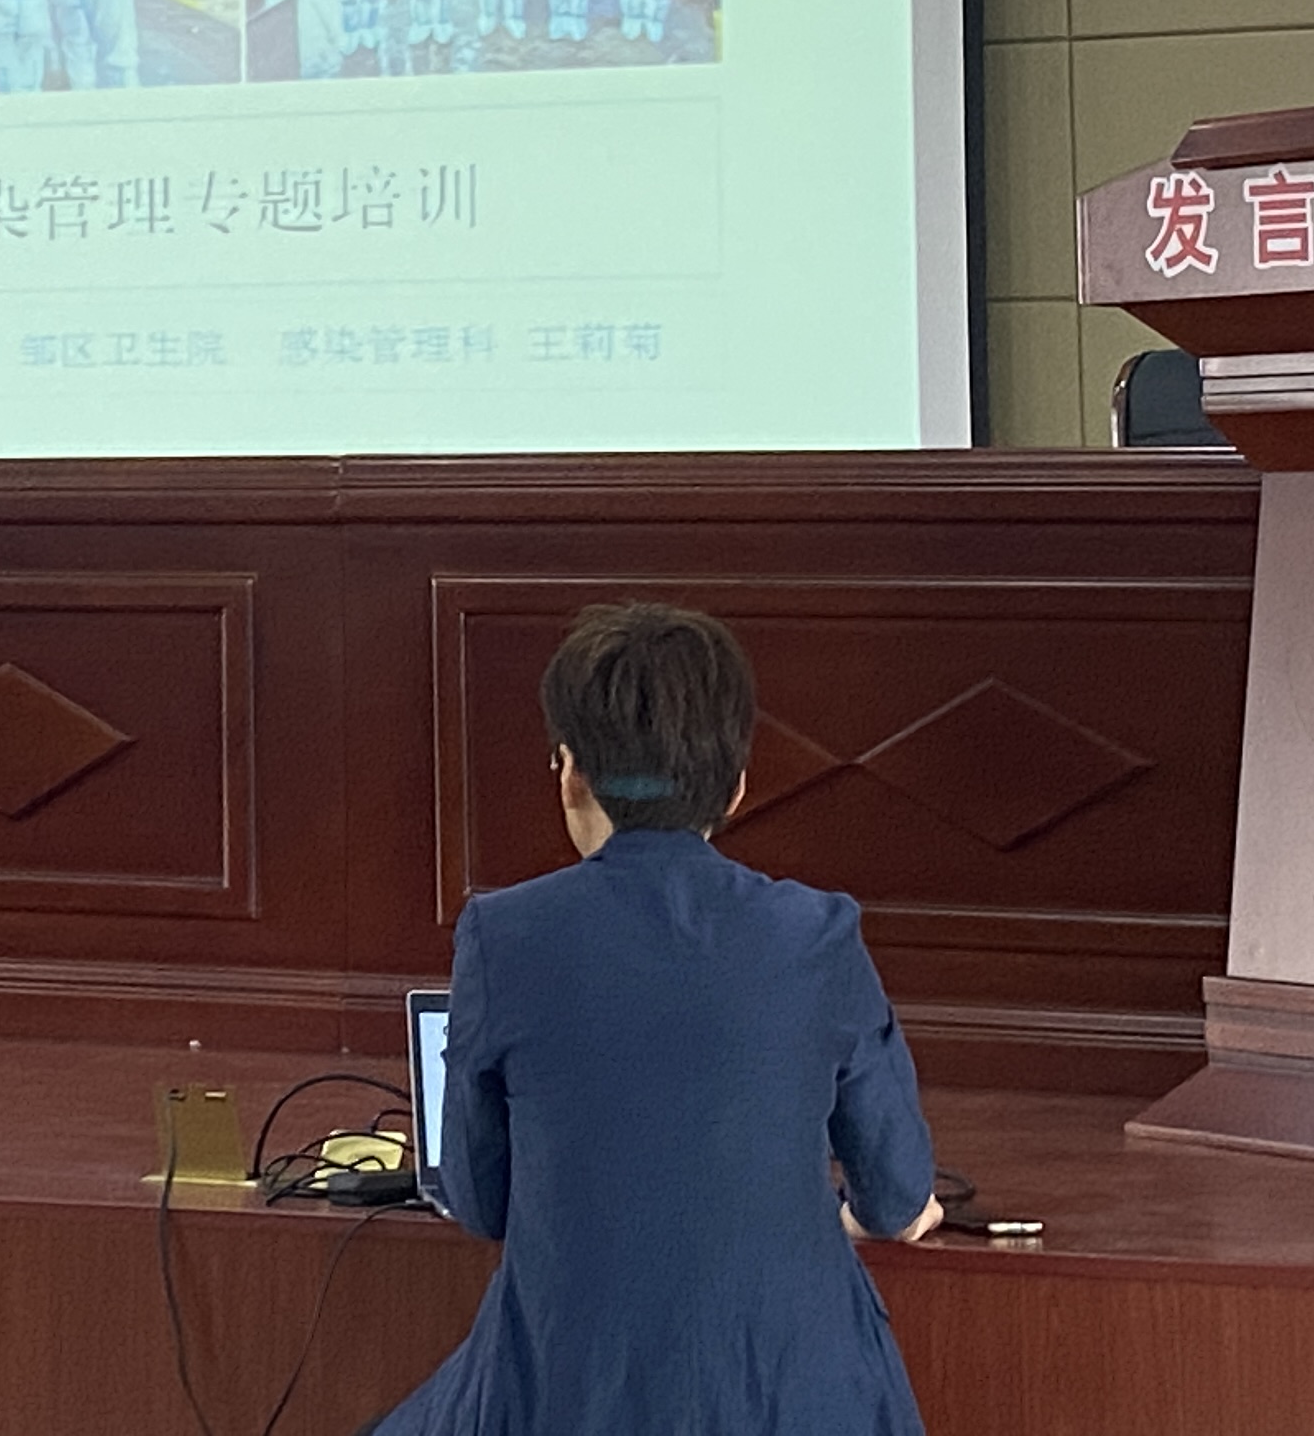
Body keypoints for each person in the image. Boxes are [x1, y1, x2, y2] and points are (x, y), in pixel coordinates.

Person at [373, 603, 941, 1436]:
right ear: (737, 784)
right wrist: (847, 1215)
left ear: (570, 775)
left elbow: (480, 1202)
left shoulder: (505, 935)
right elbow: (897, 1195)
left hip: (569, 1397)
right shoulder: (816, 933)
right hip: (798, 1399)